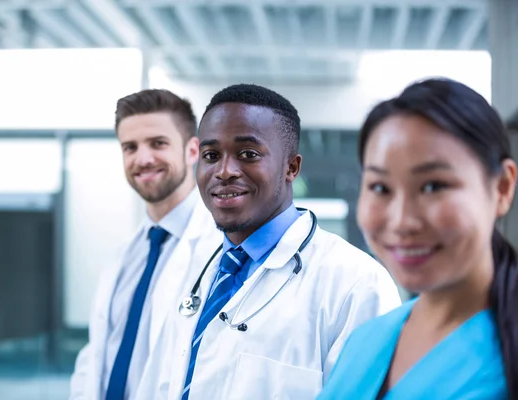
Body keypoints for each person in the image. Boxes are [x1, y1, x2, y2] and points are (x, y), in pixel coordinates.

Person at [143, 83, 401, 400]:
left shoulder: (356, 283)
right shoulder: (189, 270)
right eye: (211, 155)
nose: (224, 171)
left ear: (291, 167)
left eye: (248, 154)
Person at [318, 78, 518, 399]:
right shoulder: (366, 340)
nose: (402, 222)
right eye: (380, 188)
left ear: (502, 188)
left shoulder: (504, 356)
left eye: (433, 186)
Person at [69, 89, 221, 400]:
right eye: (130, 147)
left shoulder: (221, 249)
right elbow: (98, 353)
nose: (143, 158)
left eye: (158, 143)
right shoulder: (128, 254)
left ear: (193, 151)